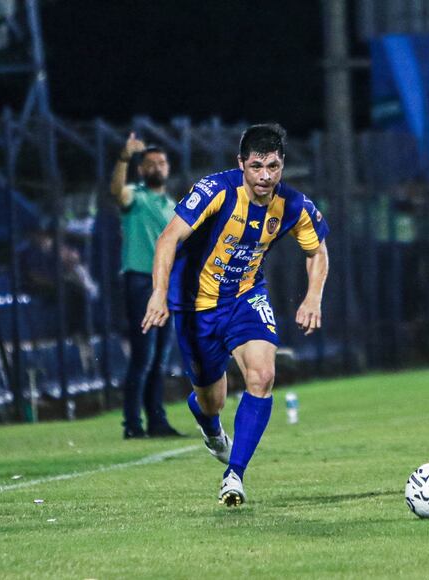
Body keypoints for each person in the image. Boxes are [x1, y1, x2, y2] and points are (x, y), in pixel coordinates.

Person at [141, 123, 329, 506]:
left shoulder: (293, 205)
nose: (265, 176)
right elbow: (168, 239)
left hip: (245, 297)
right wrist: (158, 294)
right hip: (195, 307)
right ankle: (211, 429)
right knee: (212, 400)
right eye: (257, 165)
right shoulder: (215, 191)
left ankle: (234, 475)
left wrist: (313, 298)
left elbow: (318, 251)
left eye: (273, 167)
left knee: (263, 374)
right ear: (240, 163)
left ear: (282, 166)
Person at [110, 134, 183, 439]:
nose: (157, 167)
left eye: (161, 162)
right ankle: (132, 425)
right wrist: (125, 157)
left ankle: (157, 421)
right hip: (141, 281)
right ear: (141, 169)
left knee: (161, 358)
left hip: (166, 285)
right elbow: (116, 191)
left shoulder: (173, 205)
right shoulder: (135, 197)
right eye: (150, 163)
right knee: (143, 356)